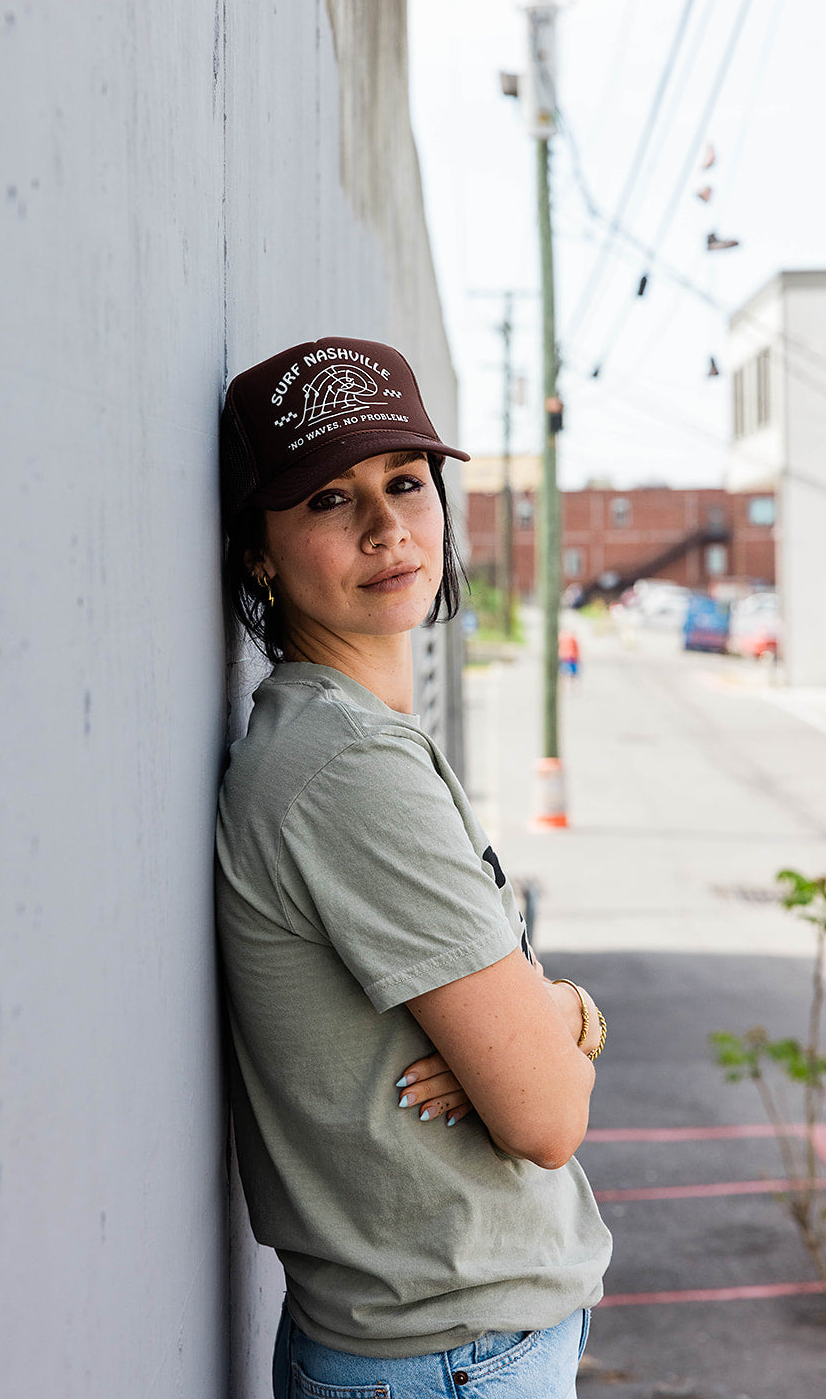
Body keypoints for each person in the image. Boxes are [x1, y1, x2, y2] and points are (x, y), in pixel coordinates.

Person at [215, 338, 611, 1399]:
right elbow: (544, 1116)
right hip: (450, 1360)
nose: (387, 527)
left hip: (448, 1348)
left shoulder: (350, 734)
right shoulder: (347, 766)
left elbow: (525, 1070)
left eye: (404, 482)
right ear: (258, 551)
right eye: (327, 501)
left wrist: (544, 1016)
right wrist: (561, 1011)